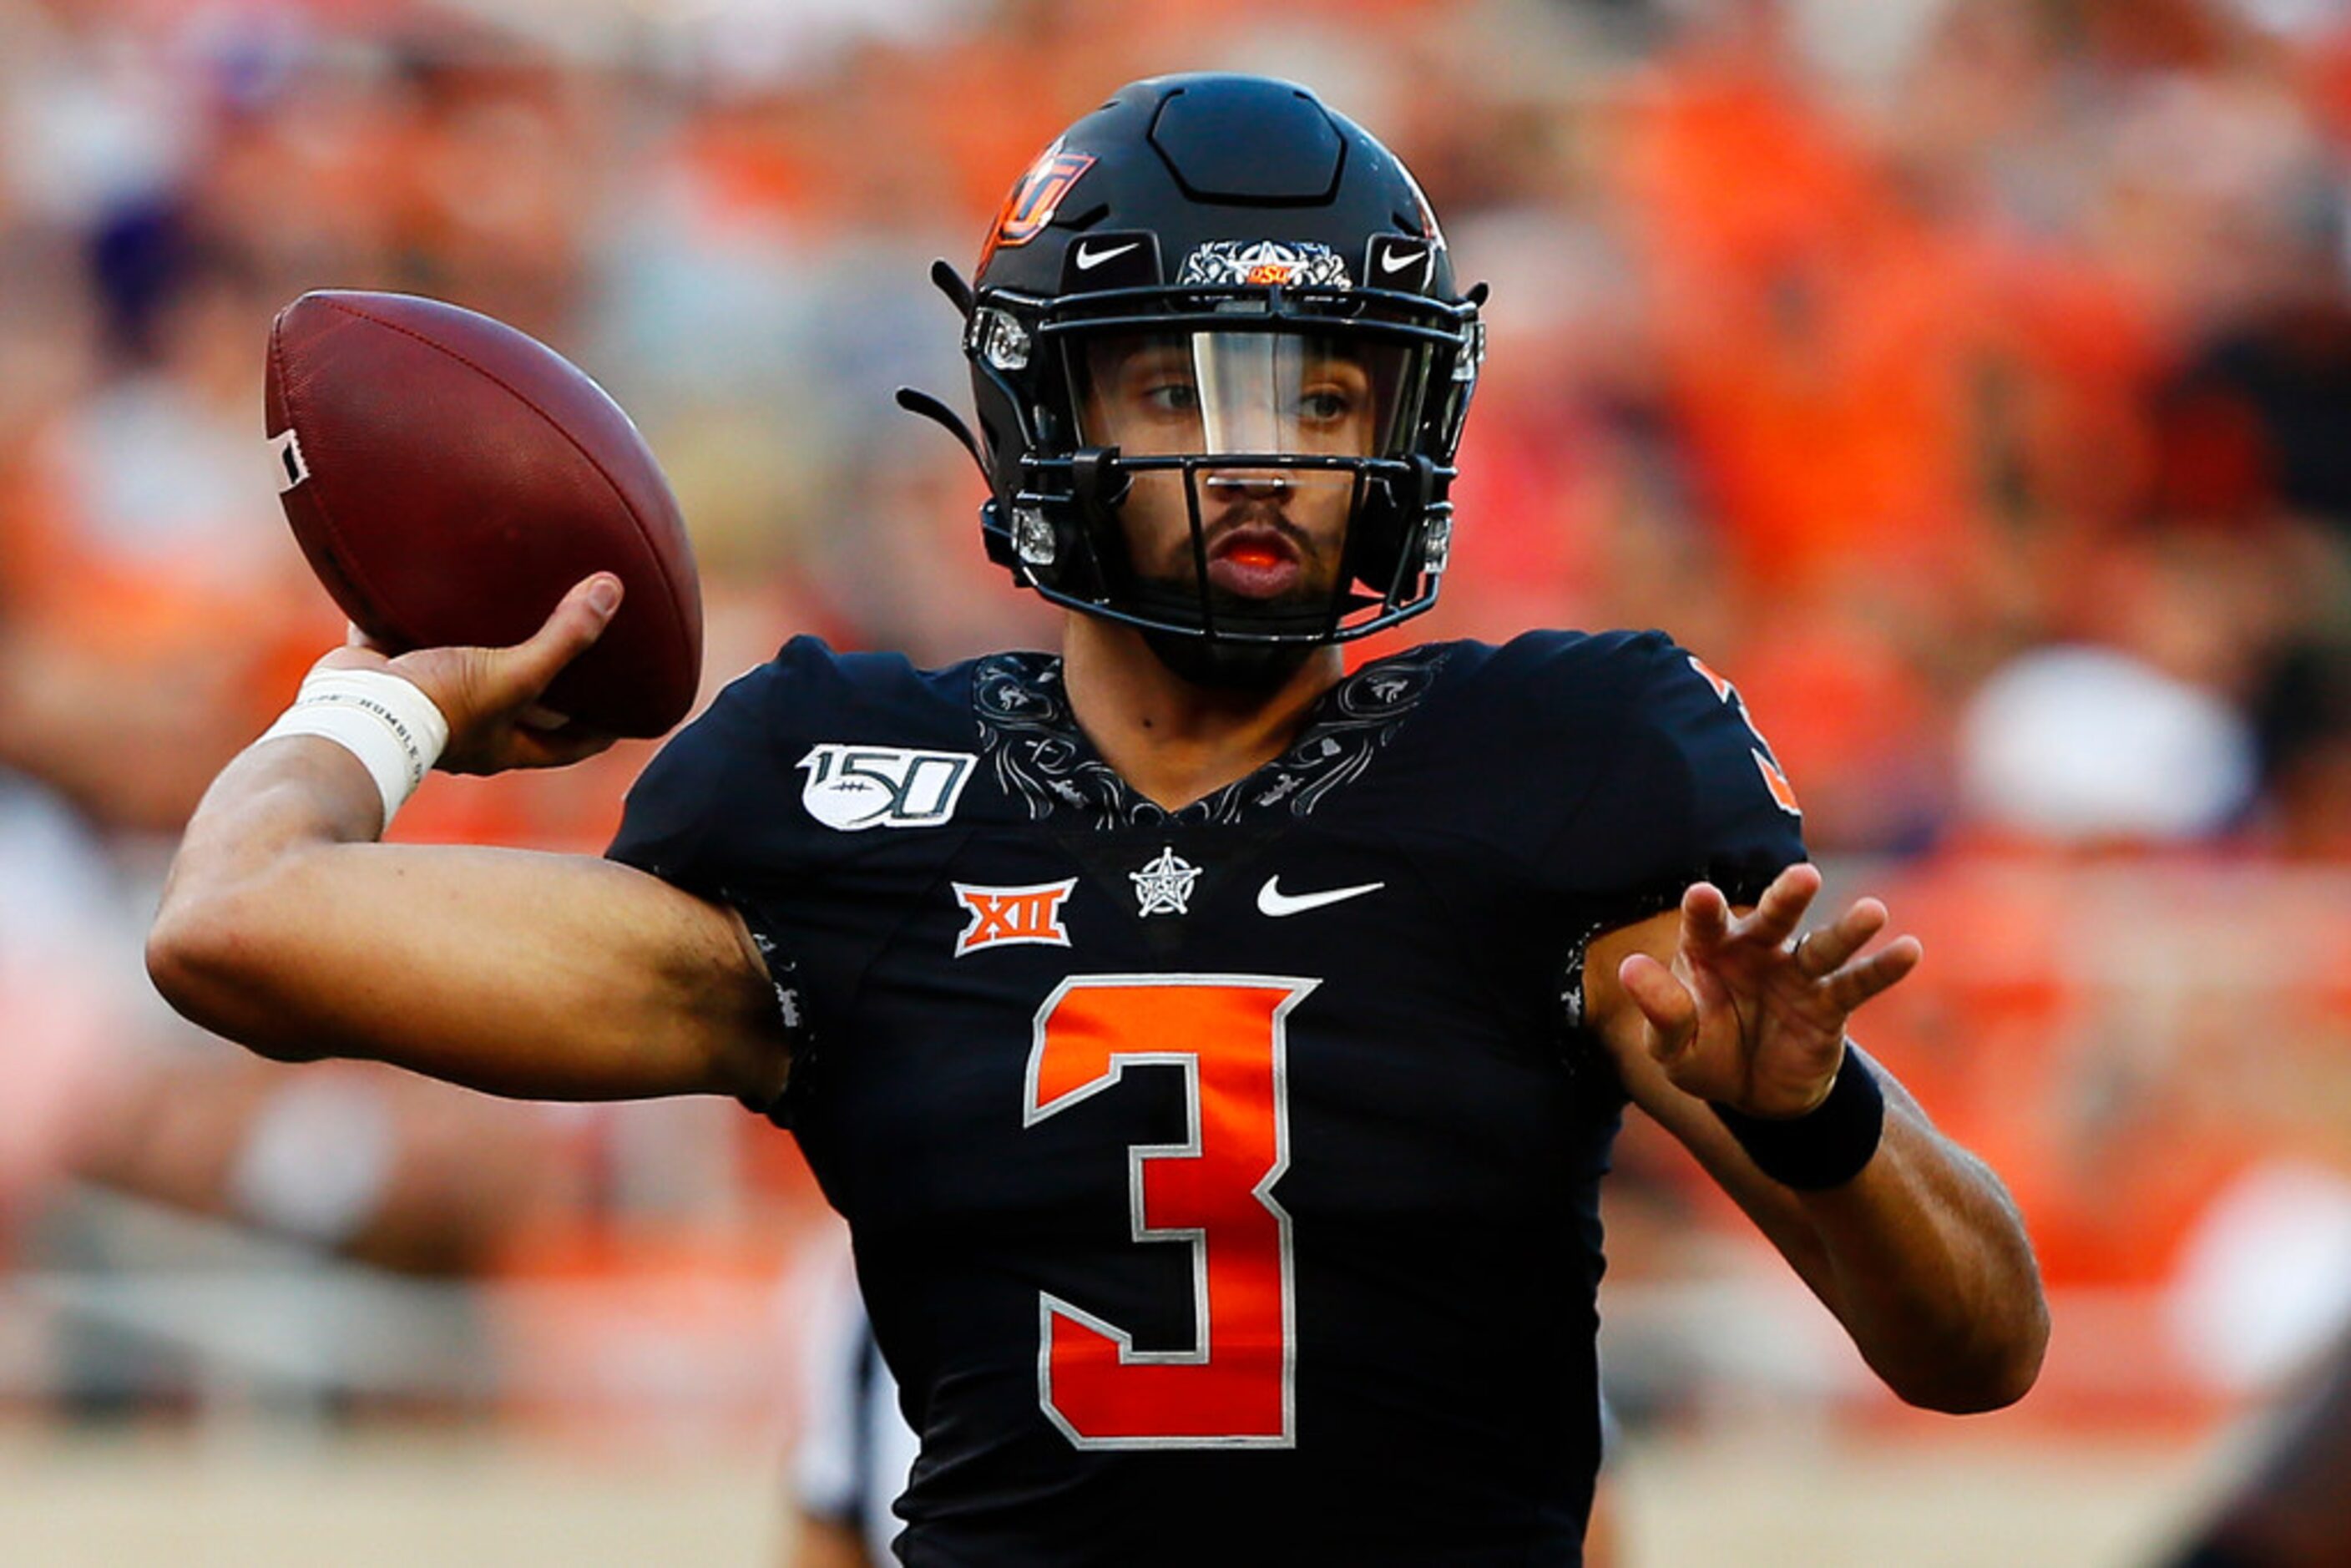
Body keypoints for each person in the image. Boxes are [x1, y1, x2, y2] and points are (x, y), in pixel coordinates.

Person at [148, 74, 2047, 1564]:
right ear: (1042, 405)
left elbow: (1979, 1351)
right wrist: (392, 692)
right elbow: (236, 922)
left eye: (1326, 395)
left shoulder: (1565, 766)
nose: (1271, 457)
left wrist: (1822, 1124)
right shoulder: (838, 791)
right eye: (1184, 384)